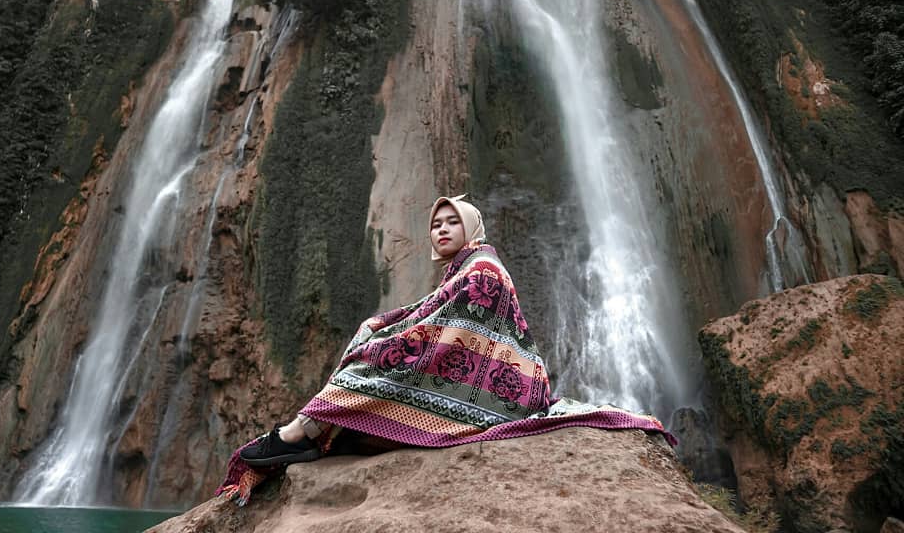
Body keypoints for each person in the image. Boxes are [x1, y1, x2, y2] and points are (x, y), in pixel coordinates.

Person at [216, 195, 675, 504]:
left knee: (375, 364)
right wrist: (383, 327)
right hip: (481, 380)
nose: (441, 229)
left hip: (506, 392)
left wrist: (390, 340)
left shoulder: (482, 270)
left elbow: (450, 332)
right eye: (436, 224)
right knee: (374, 352)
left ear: (471, 226)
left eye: (452, 221)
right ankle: (311, 434)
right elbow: (432, 317)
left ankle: (300, 433)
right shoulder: (463, 269)